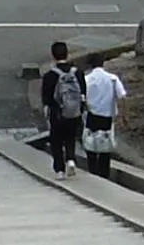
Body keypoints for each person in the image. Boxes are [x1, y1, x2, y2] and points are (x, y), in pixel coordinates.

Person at [40, 41, 84, 178]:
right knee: (71, 137)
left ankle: (60, 170)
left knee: (56, 140)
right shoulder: (78, 73)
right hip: (74, 112)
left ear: (53, 55)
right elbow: (83, 93)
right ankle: (70, 159)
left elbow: (46, 98)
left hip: (57, 112)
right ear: (67, 53)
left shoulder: (50, 76)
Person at [82, 52, 127, 179]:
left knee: (90, 145)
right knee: (105, 147)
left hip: (91, 116)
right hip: (107, 117)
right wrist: (123, 116)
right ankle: (103, 173)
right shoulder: (112, 79)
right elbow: (122, 96)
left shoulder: (87, 79)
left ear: (90, 65)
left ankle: (92, 171)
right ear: (103, 63)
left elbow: (82, 98)